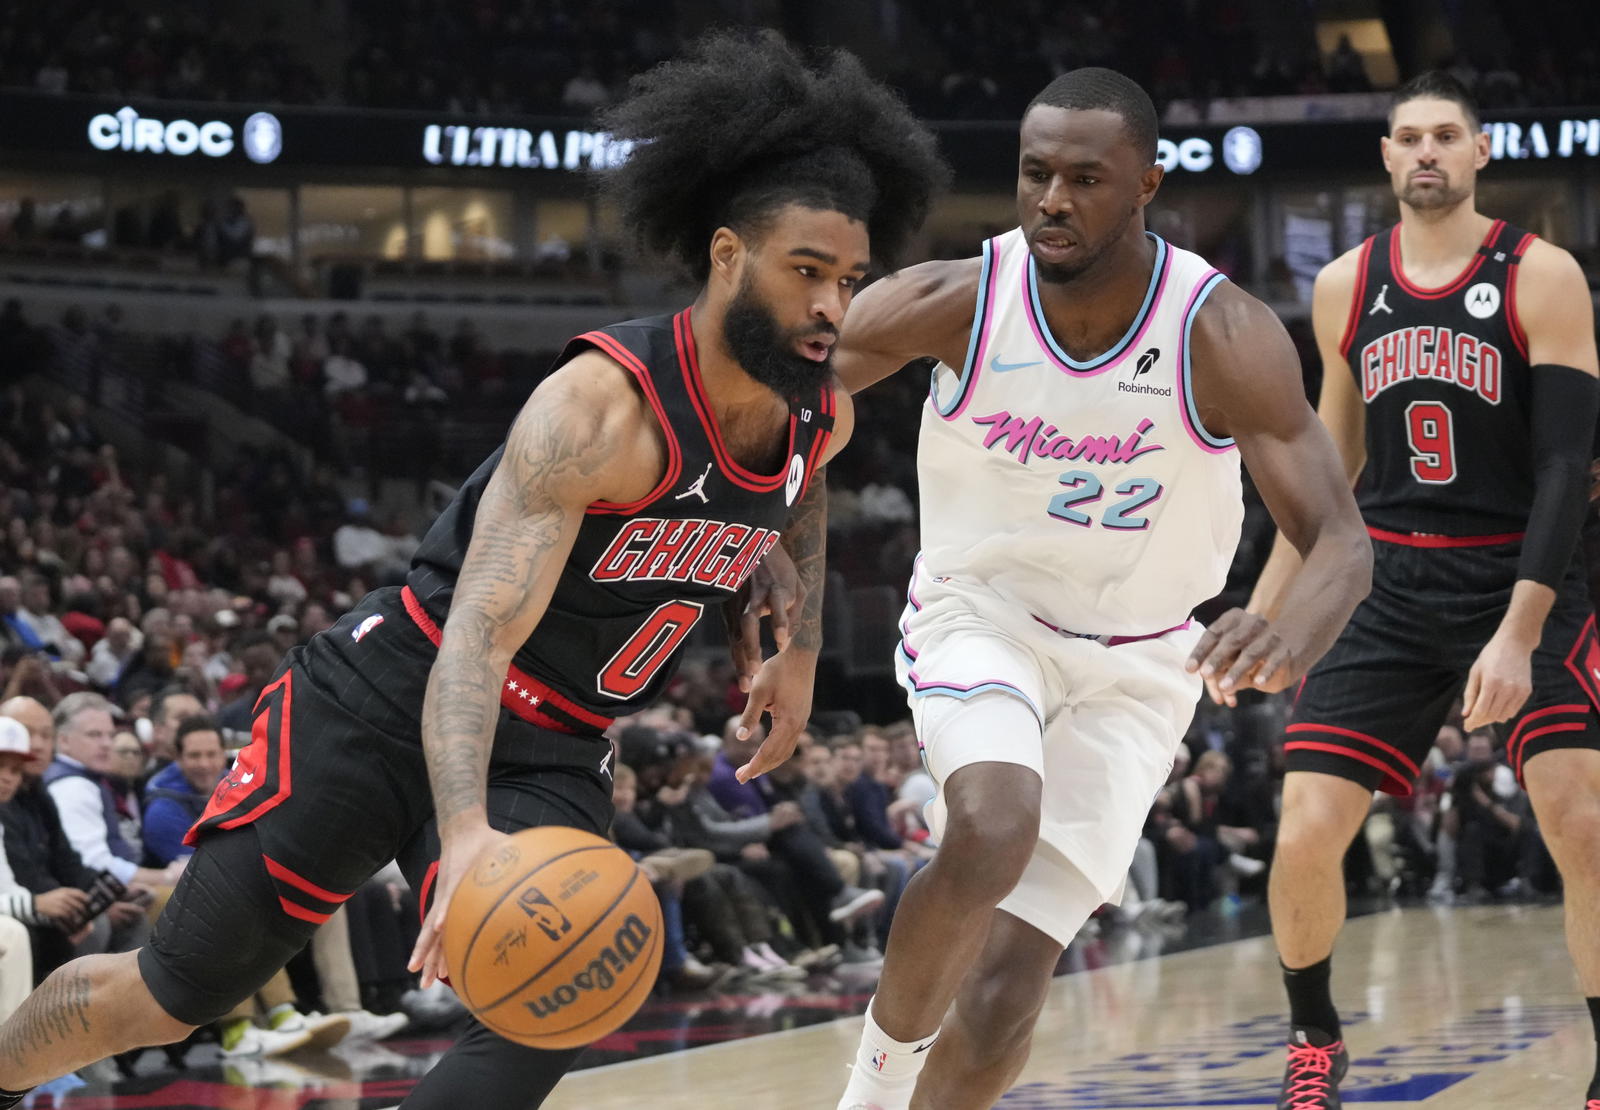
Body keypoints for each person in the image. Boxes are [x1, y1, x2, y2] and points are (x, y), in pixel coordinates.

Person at [0, 31, 946, 1109]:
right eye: (807, 274)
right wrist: (465, 844)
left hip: (553, 744)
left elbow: (794, 492)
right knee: (173, 991)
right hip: (396, 695)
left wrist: (800, 643)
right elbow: (476, 639)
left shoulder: (820, 408)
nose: (832, 307)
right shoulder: (598, 412)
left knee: (568, 990)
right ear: (729, 258)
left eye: (849, 281)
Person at [819, 67, 1371, 1110]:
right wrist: (763, 524)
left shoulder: (1220, 331)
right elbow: (780, 399)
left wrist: (1283, 631)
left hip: (1143, 664)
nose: (1052, 201)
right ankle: (869, 1096)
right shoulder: (956, 300)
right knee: (989, 822)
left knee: (1003, 995)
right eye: (1035, 174)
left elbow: (1340, 538)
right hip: (983, 615)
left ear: (1145, 185)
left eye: (1084, 178)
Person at [1246, 71, 1600, 1109]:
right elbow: (1326, 478)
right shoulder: (1342, 286)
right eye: (1409, 137)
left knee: (1578, 818)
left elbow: (1564, 471)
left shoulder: (1543, 275)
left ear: (1479, 152)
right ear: (1388, 157)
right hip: (1389, 579)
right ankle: (1313, 1040)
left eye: (1446, 134)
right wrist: (1264, 621)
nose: (1428, 152)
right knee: (1304, 827)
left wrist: (1518, 629)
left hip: (1521, 566)